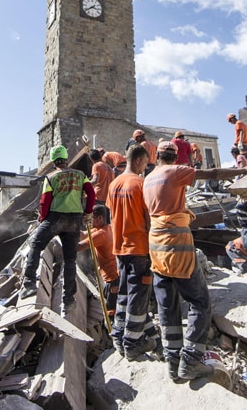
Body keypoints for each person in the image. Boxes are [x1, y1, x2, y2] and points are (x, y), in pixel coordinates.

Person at [143, 140, 247, 381]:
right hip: (176, 245)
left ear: (157, 157)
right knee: (199, 301)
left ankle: (173, 360)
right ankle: (191, 361)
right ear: (175, 158)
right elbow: (214, 173)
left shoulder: (148, 178)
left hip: (155, 245)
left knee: (167, 305)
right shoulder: (175, 172)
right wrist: (244, 171)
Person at [19, 145, 95, 313]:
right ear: (66, 159)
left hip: (55, 218)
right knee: (70, 260)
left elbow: (45, 201)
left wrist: (42, 218)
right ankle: (69, 299)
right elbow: (91, 193)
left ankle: (29, 284)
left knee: (36, 246)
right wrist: (88, 212)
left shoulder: (51, 177)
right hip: (74, 220)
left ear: (54, 161)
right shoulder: (80, 175)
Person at [108, 144, 161, 361]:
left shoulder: (114, 184)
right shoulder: (141, 184)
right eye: (146, 163)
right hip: (139, 247)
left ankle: (120, 335)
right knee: (139, 295)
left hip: (120, 247)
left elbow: (113, 214)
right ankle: (131, 343)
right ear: (139, 160)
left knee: (125, 293)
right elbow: (148, 218)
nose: (145, 168)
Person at [77, 205, 118, 318]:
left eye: (91, 219)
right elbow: (84, 235)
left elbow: (79, 247)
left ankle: (114, 332)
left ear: (99, 218)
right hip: (113, 275)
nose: (88, 223)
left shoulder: (101, 234)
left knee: (111, 310)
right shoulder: (105, 228)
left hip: (112, 277)